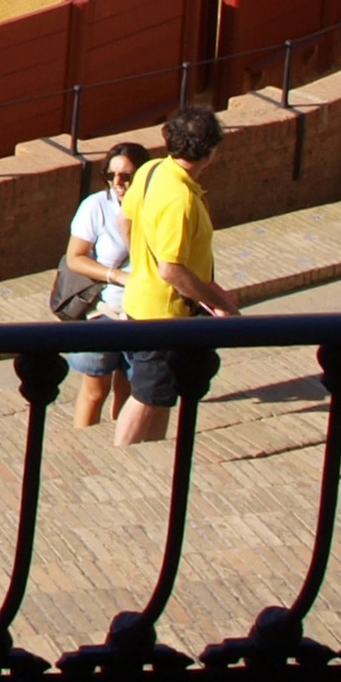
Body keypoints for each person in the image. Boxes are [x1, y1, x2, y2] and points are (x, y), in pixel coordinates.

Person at [114, 105, 236, 447]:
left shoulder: (153, 170)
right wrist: (218, 302)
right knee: (147, 395)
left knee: (160, 393)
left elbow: (124, 220)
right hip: (164, 314)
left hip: (143, 299)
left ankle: (150, 453)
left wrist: (142, 264)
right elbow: (171, 269)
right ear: (210, 151)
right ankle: (121, 457)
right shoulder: (180, 199)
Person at [58, 141, 143, 429]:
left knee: (129, 389)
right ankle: (82, 442)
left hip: (141, 312)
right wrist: (116, 276)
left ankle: (119, 444)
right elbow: (75, 258)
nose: (118, 183)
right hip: (104, 310)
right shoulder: (96, 206)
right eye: (112, 175)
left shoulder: (153, 207)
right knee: (95, 390)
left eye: (127, 176)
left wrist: (128, 228)